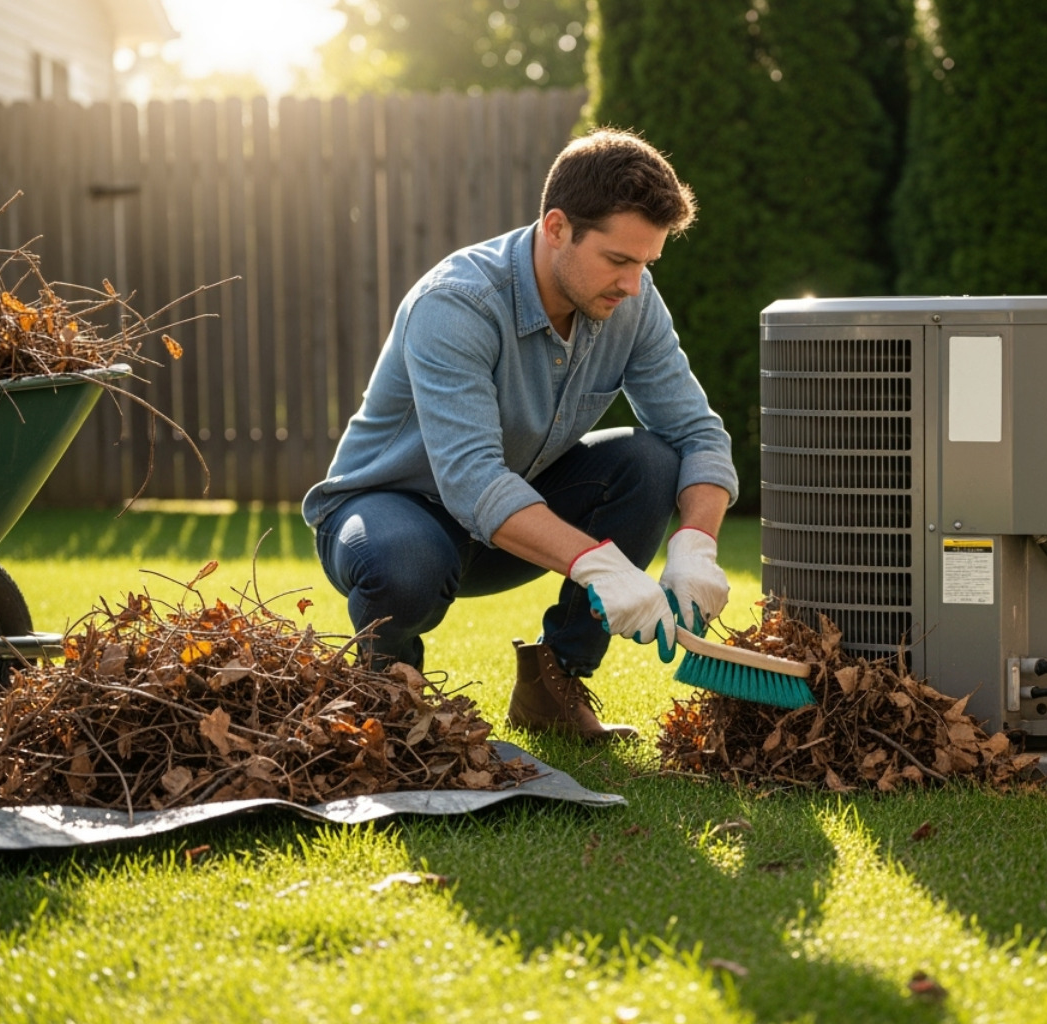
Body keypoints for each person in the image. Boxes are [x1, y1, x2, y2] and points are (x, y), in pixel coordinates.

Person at [303, 129, 738, 742]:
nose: (634, 284)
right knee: (404, 565)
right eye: (618, 260)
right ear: (557, 227)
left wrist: (696, 543)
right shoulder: (457, 303)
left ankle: (552, 687)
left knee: (651, 460)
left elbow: (697, 432)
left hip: (510, 526)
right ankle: (387, 691)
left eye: (646, 263)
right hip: (392, 516)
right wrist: (599, 567)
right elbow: (471, 478)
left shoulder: (631, 304)